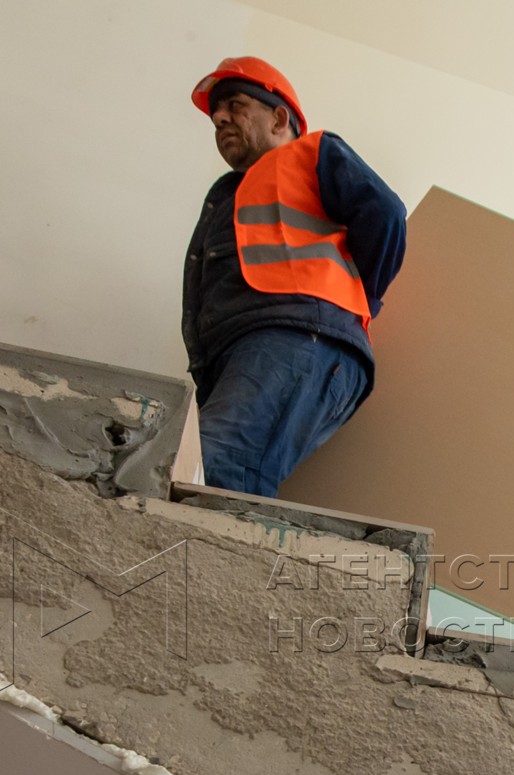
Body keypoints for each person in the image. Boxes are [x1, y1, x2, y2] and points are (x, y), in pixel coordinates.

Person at [182, 56, 407, 497]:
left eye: (234, 104)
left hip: (298, 337)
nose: (220, 118)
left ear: (279, 118)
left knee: (214, 465)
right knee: (210, 469)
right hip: (248, 351)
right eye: (215, 114)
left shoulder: (312, 153)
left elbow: (385, 215)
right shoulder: (228, 194)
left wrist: (358, 299)